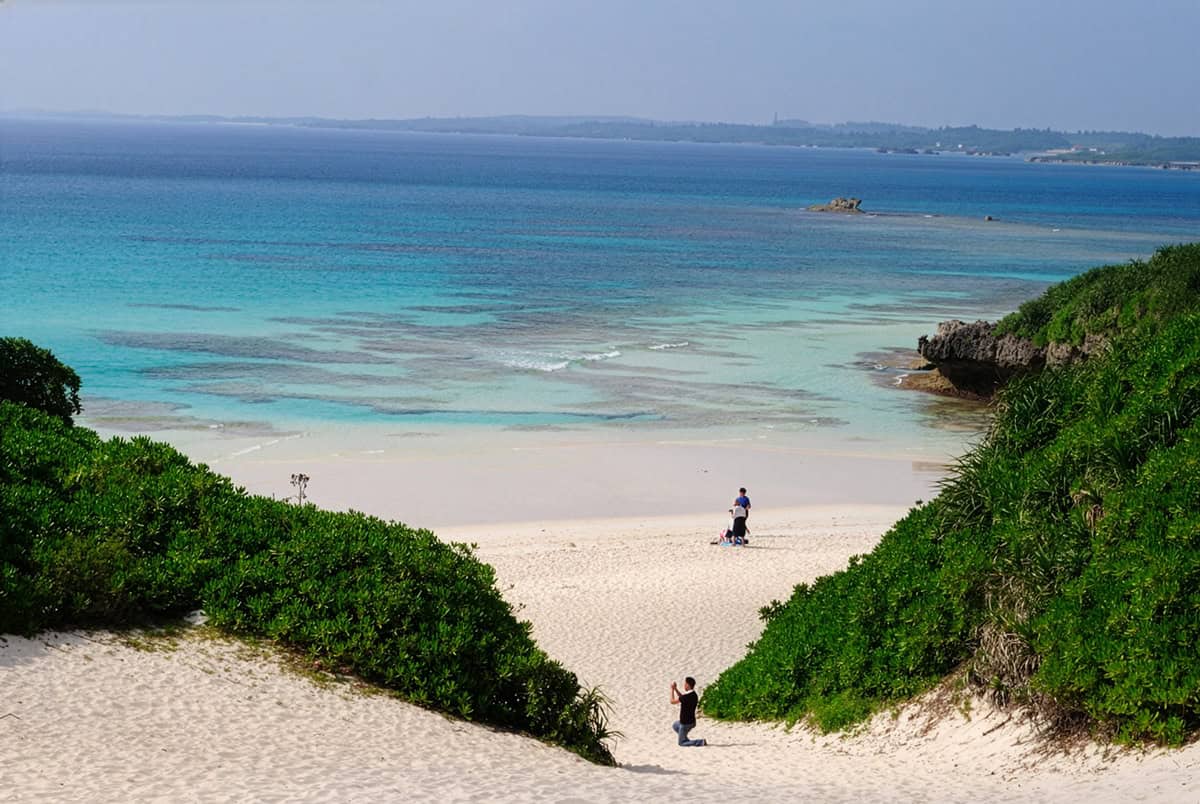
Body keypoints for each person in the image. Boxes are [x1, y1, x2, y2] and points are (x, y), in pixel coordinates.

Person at [670, 677, 706, 746]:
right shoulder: (694, 695)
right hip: (691, 721)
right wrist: (675, 689)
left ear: (688, 685)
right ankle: (684, 737)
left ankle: (700, 742)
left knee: (681, 743)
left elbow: (672, 701)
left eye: (685, 683)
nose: (684, 685)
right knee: (675, 725)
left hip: (686, 724)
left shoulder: (687, 697)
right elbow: (682, 697)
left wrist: (671, 689)